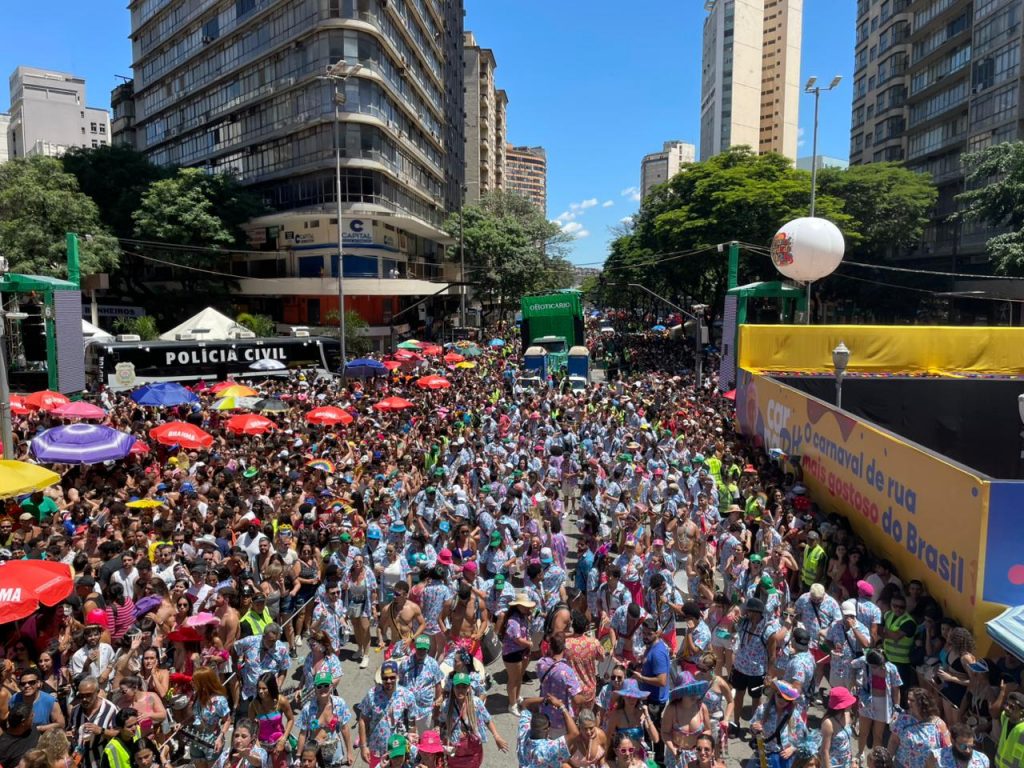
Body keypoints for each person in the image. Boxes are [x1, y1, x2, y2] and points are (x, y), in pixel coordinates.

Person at [437, 672, 507, 768]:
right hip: (455, 752)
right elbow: (441, 722)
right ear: (453, 688)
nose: (460, 690)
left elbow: (487, 720)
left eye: (464, 687)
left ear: (469, 688)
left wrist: (497, 737)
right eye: (457, 687)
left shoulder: (476, 703)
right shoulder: (446, 705)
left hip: (473, 752)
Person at [357, 660, 417, 768]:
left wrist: (410, 745)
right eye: (385, 678)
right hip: (377, 750)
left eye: (392, 677)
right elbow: (362, 720)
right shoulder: (372, 694)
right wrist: (363, 746)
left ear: (397, 676)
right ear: (381, 677)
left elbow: (412, 721)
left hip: (399, 751)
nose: (389, 681)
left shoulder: (407, 695)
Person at [294, 671, 354, 768]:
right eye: (319, 686)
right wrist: (298, 756)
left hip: (335, 751)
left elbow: (344, 728)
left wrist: (349, 752)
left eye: (326, 685)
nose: (323, 689)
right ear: (315, 688)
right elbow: (303, 733)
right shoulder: (307, 709)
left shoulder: (340, 704)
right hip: (315, 753)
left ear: (331, 686)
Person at [853, 649, 903, 759]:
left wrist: (897, 706)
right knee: (863, 731)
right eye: (873, 667)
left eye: (878, 666)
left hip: (884, 703)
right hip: (866, 701)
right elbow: (851, 665)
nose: (876, 669)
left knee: (878, 735)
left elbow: (896, 689)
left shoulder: (892, 668)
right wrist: (854, 682)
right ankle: (860, 753)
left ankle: (875, 759)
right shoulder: (864, 661)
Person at [888, 688, 951, 768]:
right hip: (902, 765)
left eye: (912, 700)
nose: (908, 702)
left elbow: (947, 749)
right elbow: (893, 742)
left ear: (922, 703)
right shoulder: (903, 719)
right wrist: (887, 762)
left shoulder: (938, 724)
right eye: (908, 699)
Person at [749, 681, 805, 768]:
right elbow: (752, 730)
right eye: (779, 696)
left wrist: (793, 748)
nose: (782, 700)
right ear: (774, 694)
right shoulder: (762, 710)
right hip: (764, 755)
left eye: (786, 699)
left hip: (784, 757)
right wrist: (754, 728)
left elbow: (804, 737)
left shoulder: (794, 714)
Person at [68, 676, 120, 768]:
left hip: (101, 759)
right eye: (81, 695)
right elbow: (71, 731)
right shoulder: (75, 711)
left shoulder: (110, 709)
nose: (84, 699)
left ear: (97, 692)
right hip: (80, 759)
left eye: (88, 695)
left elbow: (119, 733)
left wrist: (101, 731)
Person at [247, 672, 295, 768]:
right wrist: (256, 743)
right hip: (261, 743)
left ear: (271, 688)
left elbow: (291, 719)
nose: (260, 691)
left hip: (278, 741)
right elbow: (250, 725)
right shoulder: (254, 704)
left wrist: (284, 739)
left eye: (264, 688)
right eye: (259, 688)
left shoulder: (281, 701)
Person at [516, 696, 578, 768]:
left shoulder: (524, 732)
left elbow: (524, 704)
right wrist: (561, 706)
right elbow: (574, 733)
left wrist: (545, 700)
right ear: (547, 729)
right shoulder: (548, 748)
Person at [398, 635, 444, 731]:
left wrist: (437, 707)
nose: (421, 651)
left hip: (426, 709)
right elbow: (400, 683)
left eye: (424, 649)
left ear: (428, 649)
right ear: (415, 647)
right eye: (419, 648)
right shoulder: (405, 663)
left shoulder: (433, 664)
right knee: (409, 737)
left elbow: (438, 686)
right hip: (408, 708)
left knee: (425, 737)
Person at [189, 667, 232, 768]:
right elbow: (194, 716)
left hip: (212, 742)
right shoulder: (197, 696)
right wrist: (182, 723)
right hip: (196, 740)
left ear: (203, 683)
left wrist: (220, 737)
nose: (191, 683)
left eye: (194, 681)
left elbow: (228, 720)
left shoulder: (219, 701)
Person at [502, 592, 535, 716]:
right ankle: (512, 704)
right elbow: (518, 640)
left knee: (519, 677)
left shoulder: (523, 617)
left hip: (522, 651)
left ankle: (516, 697)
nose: (527, 608)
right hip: (512, 653)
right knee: (513, 679)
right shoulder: (512, 621)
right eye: (525, 606)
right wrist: (529, 644)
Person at [9, 668, 63, 733]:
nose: (26, 686)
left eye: (31, 682)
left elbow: (61, 724)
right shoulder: (14, 698)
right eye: (23, 684)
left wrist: (38, 728)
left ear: (38, 683)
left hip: (41, 738)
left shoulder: (50, 701)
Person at [819, 687, 857, 768]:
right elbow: (824, 751)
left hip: (846, 762)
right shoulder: (828, 723)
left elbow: (847, 740)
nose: (851, 704)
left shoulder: (848, 715)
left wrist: (852, 760)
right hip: (833, 764)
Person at [925, 723, 990, 768]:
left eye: (971, 747)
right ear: (953, 741)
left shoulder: (982, 759)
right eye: (963, 746)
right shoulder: (936, 757)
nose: (968, 751)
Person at [0, 703, 40, 768]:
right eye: (32, 715)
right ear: (23, 722)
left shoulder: (32, 729)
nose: (34, 716)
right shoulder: (3, 746)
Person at [993, 690, 1024, 768]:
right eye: (1006, 704)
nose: (1006, 708)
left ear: (1022, 712)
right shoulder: (1005, 717)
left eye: (1012, 707)